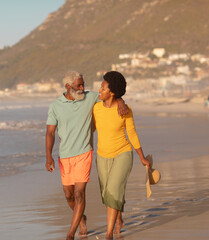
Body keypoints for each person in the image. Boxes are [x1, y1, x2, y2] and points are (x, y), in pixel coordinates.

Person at [45, 71, 128, 240]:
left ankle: (70, 233)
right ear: (68, 86)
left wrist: (120, 101)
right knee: (69, 195)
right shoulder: (55, 105)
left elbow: (111, 94)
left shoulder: (90, 97)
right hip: (64, 156)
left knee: (79, 194)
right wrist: (48, 156)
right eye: (79, 85)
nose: (83, 88)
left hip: (84, 152)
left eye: (83, 84)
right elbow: (50, 133)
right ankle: (81, 217)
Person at [92, 71, 150, 239]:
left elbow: (131, 133)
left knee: (113, 189)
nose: (99, 90)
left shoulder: (125, 109)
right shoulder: (96, 108)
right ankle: (119, 219)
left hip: (123, 153)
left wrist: (141, 156)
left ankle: (109, 234)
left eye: (103, 88)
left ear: (112, 92)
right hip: (102, 155)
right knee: (106, 194)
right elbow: (90, 130)